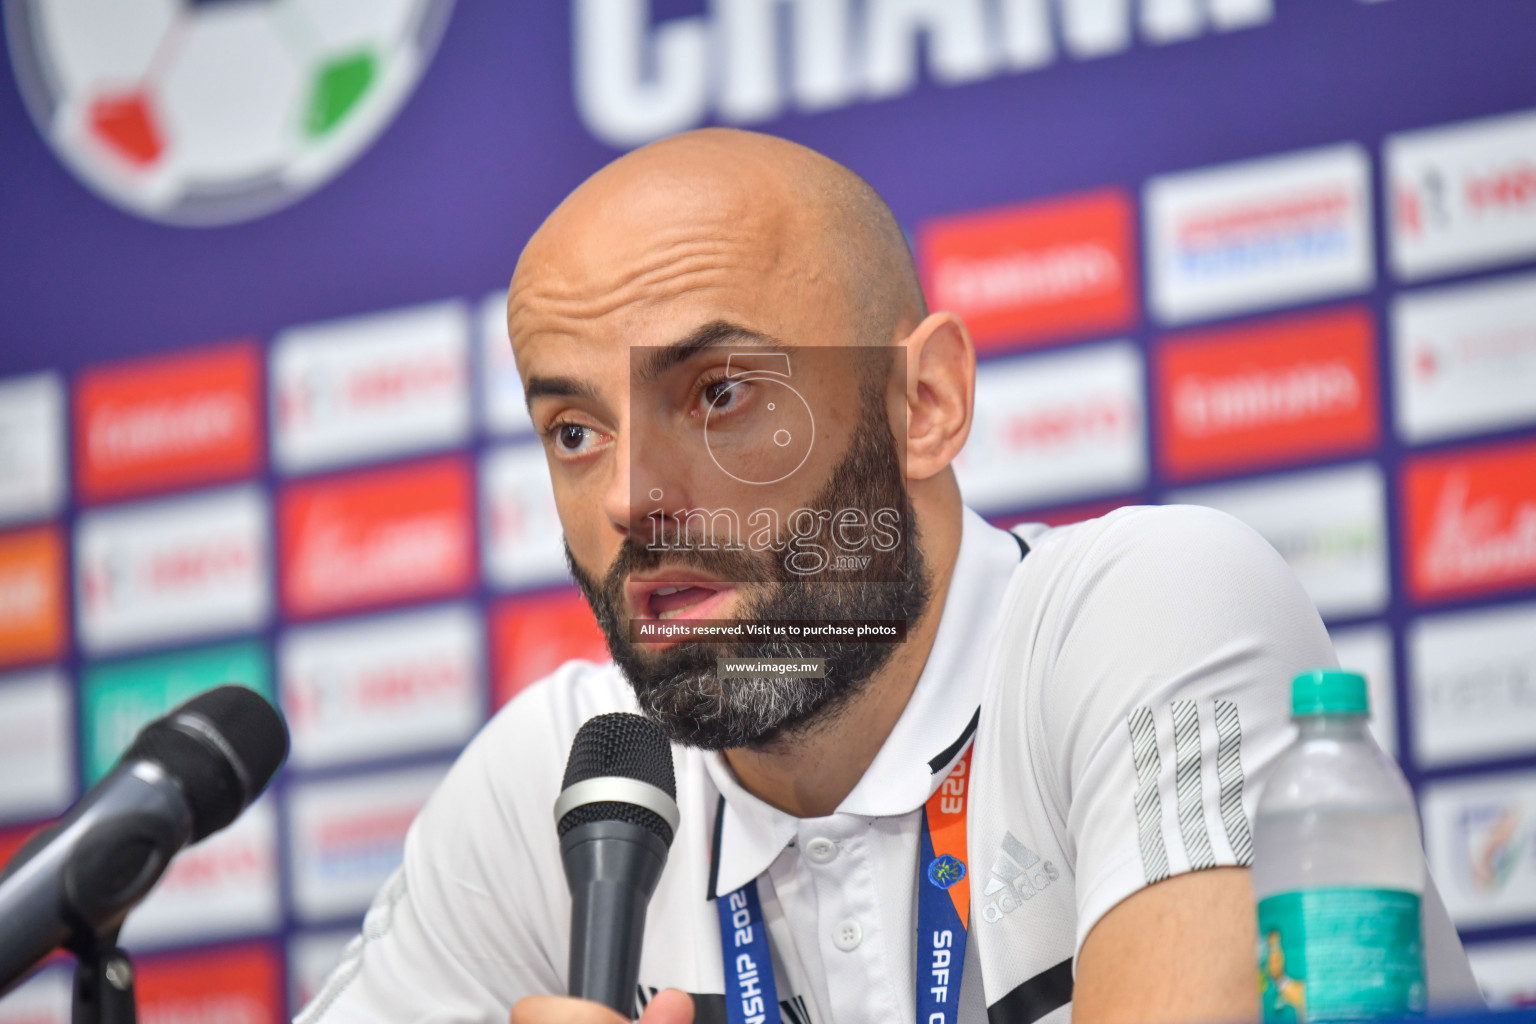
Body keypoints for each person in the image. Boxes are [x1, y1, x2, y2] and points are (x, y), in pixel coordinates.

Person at [296, 129, 1478, 1024]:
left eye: (719, 394)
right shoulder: (560, 783)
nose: (628, 497)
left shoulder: (1149, 608)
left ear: (925, 404)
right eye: (574, 430)